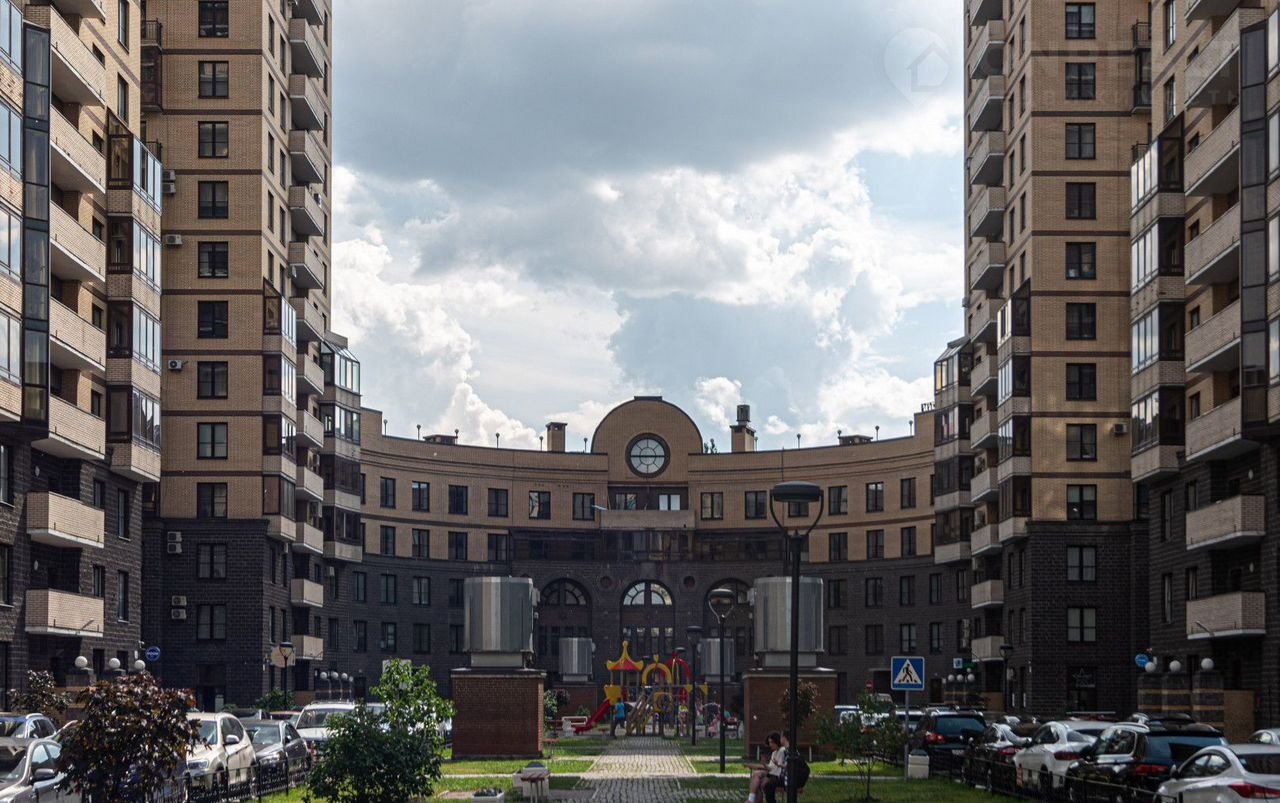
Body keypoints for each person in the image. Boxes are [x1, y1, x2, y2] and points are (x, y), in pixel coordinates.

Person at [747, 732, 785, 803]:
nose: (770, 744)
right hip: (771, 773)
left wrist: (766, 772)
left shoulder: (782, 751)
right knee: (756, 777)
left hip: (776, 775)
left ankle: (751, 799)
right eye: (769, 742)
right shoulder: (774, 753)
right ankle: (751, 799)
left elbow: (778, 768)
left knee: (759, 779)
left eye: (772, 742)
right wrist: (764, 764)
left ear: (777, 741)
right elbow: (770, 768)